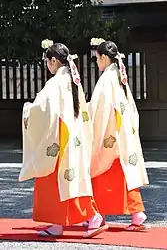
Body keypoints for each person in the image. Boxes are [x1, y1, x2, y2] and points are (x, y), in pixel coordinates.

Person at [19, 41, 109, 238]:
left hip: (59, 141)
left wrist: (27, 110)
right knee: (70, 182)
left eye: (47, 62)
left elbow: (42, 110)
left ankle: (92, 216)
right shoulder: (72, 80)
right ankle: (58, 224)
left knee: (56, 182)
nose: (47, 66)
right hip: (73, 139)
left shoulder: (55, 83)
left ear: (54, 60)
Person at [84, 40, 149, 231]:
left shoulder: (107, 79)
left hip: (110, 135)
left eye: (97, 59)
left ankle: (95, 215)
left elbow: (99, 109)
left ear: (104, 57)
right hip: (121, 135)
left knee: (98, 171)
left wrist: (85, 115)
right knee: (124, 174)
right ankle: (137, 214)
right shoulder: (118, 77)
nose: (97, 63)